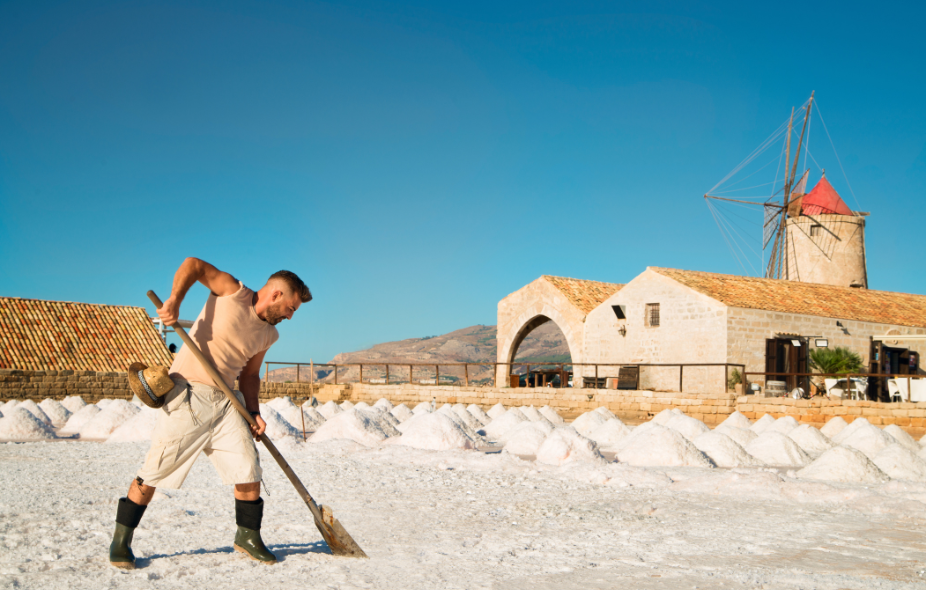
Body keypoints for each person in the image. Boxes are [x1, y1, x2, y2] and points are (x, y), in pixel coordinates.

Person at [109, 257, 312, 569]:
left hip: (227, 400)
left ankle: (247, 536)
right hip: (187, 394)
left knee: (248, 467)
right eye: (291, 308)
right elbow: (193, 265)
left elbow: (249, 376)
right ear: (276, 295)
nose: (290, 316)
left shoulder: (270, 335)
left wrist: (254, 411)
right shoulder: (232, 292)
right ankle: (121, 542)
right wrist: (175, 301)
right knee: (153, 472)